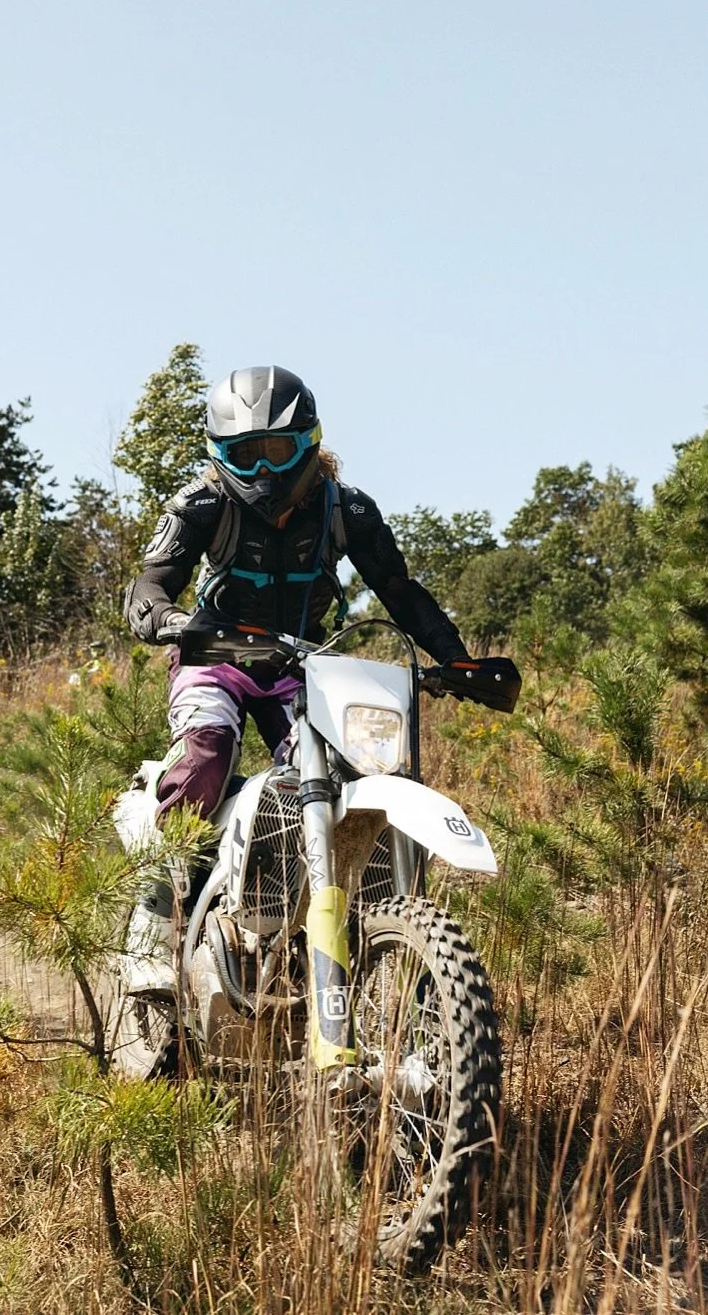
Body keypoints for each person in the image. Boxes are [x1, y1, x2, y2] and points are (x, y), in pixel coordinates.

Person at [123, 365, 476, 990]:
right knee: (207, 749)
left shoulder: (349, 509)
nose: (263, 472)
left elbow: (397, 589)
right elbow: (149, 583)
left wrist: (455, 657)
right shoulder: (202, 504)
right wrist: (172, 620)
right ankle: (158, 910)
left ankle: (299, 917)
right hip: (217, 658)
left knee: (341, 776)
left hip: (305, 666)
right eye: (244, 454)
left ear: (309, 444)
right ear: (218, 453)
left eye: (277, 451)